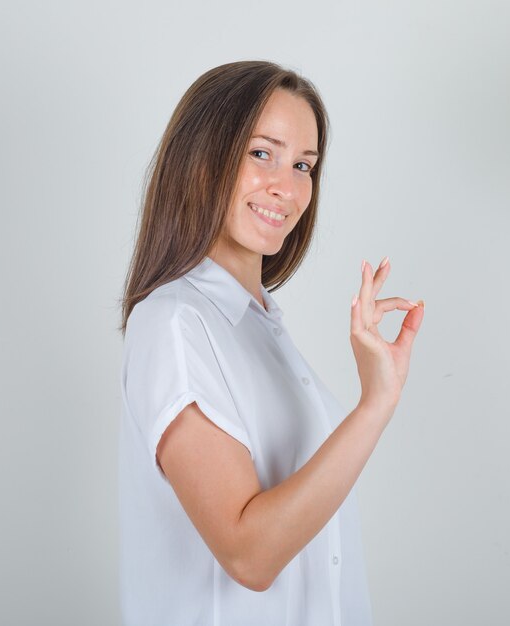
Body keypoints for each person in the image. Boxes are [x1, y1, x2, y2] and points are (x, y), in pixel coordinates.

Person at [118, 60, 424, 626]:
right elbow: (249, 554)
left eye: (304, 164)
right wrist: (375, 405)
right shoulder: (174, 323)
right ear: (203, 157)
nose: (288, 186)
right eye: (262, 153)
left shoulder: (259, 327)